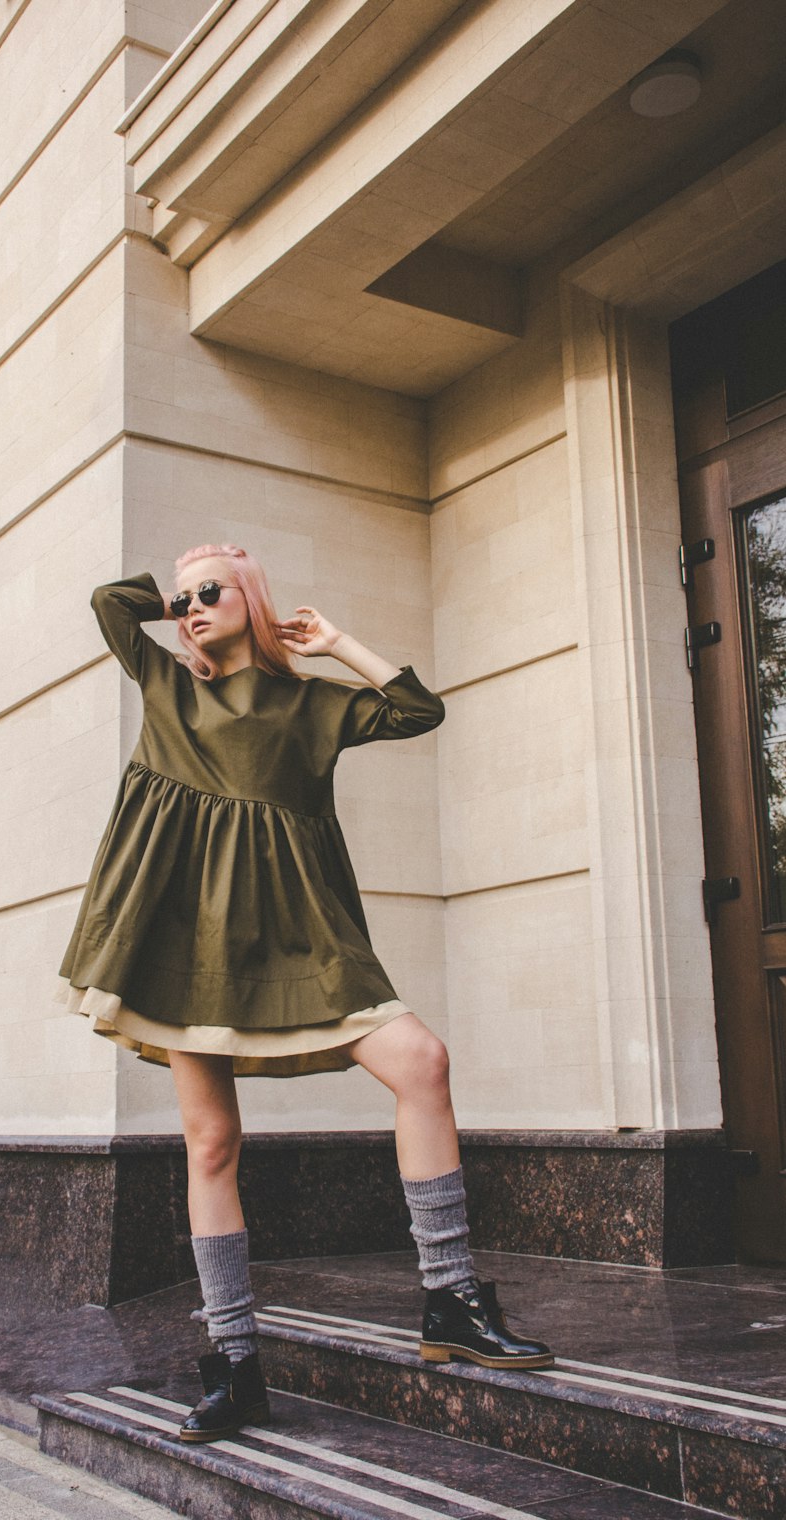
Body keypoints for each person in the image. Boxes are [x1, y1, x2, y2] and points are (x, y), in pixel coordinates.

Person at [55, 542, 552, 1443]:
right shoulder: (169, 687)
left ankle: (448, 1298)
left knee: (422, 1063)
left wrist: (336, 642)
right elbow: (105, 603)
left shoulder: (309, 705)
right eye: (183, 597)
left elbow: (416, 710)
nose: (193, 606)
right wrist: (173, 597)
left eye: (211, 591)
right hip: (189, 946)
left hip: (304, 933)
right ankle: (234, 1365)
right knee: (211, 1143)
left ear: (251, 597)